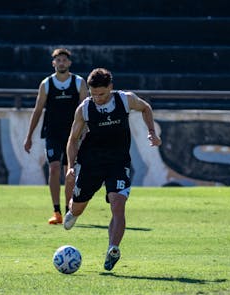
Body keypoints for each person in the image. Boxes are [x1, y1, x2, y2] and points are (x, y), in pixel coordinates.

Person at [63, 68, 162, 271]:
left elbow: (146, 108)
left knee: (118, 204)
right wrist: (71, 167)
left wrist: (152, 132)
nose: (97, 98)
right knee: (78, 208)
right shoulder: (84, 108)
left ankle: (113, 249)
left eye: (102, 94)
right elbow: (72, 140)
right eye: (93, 94)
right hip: (91, 163)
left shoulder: (125, 100)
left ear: (111, 87)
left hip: (118, 162)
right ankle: (73, 209)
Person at [23, 48, 88, 225]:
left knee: (69, 172)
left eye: (64, 60)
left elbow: (86, 110)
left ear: (69, 63)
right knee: (53, 168)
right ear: (53, 63)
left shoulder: (79, 82)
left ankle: (69, 210)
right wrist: (28, 136)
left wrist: (86, 131)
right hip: (52, 132)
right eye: (58, 60)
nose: (61, 63)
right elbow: (37, 111)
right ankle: (56, 210)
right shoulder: (46, 84)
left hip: (72, 134)